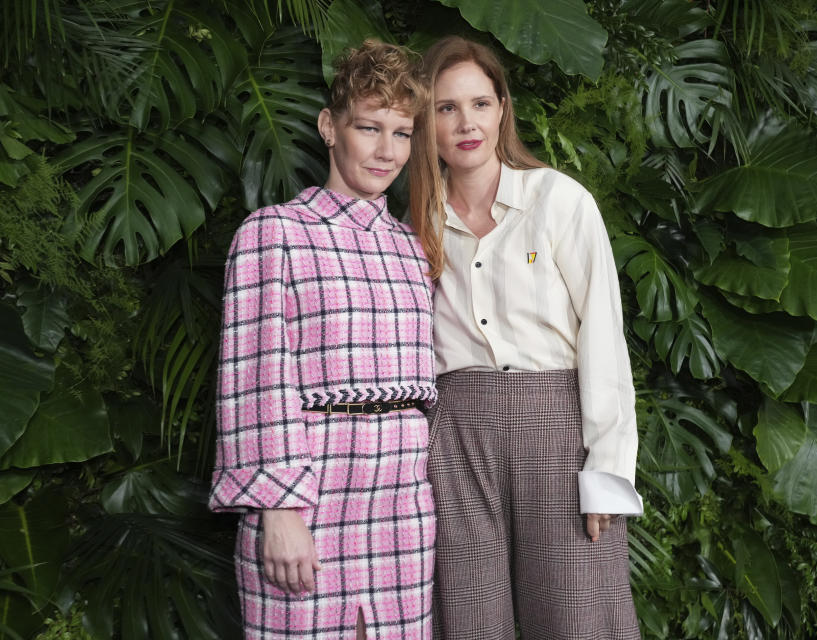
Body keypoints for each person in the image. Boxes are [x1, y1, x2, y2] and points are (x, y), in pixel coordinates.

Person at [407, 36, 644, 640]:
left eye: (481, 104)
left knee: (574, 620)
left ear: (503, 109)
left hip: (557, 432)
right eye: (446, 107)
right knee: (469, 619)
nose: (467, 123)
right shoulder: (413, 226)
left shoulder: (559, 201)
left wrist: (608, 476)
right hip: (456, 439)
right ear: (424, 122)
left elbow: (604, 341)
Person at [209, 40, 437, 640]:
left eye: (402, 133)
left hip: (403, 503)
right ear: (329, 127)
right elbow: (255, 378)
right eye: (369, 127)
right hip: (313, 489)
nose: (387, 151)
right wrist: (280, 510)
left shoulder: (411, 249)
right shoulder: (274, 233)